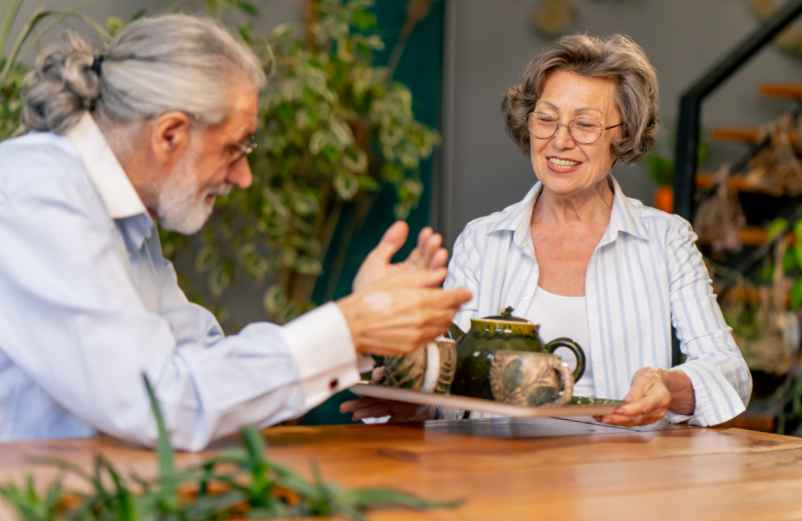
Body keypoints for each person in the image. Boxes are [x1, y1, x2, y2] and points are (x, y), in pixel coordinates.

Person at [0, 14, 471, 451]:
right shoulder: (37, 195)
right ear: (170, 135)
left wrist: (366, 329)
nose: (244, 177)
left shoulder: (122, 212)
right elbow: (163, 405)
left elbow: (199, 359)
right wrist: (351, 326)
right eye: (234, 149)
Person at [344, 34, 751, 427]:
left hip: (622, 477)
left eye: (585, 125)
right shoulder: (483, 240)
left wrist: (670, 387)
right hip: (502, 474)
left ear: (622, 133)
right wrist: (417, 405)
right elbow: (459, 383)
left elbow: (729, 370)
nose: (560, 141)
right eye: (547, 119)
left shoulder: (666, 239)